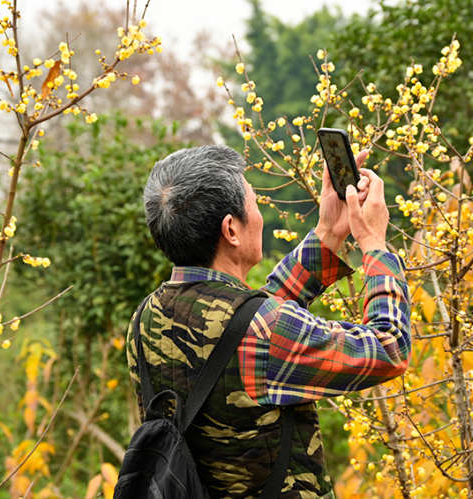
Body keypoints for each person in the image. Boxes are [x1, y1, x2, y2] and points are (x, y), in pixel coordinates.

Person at [127, 144, 411, 499]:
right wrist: (373, 243)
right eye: (255, 203)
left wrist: (329, 233)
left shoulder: (146, 318)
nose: (259, 214)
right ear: (231, 229)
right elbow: (390, 347)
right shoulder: (264, 330)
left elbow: (241, 322)